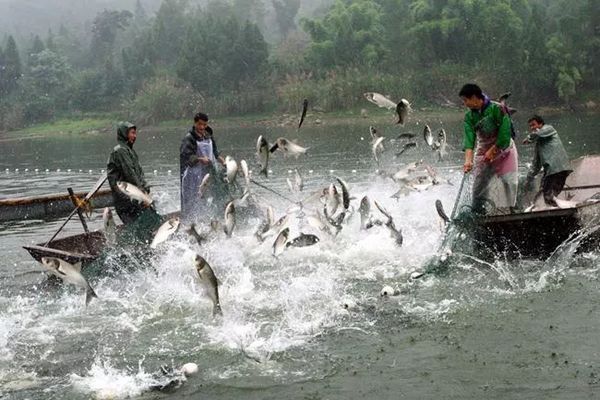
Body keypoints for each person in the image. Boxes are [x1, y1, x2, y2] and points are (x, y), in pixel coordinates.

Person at [459, 83, 519, 214]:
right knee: (479, 186)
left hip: (504, 150)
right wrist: (468, 161)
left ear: (474, 97)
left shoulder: (498, 109)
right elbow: (469, 140)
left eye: (465, 100)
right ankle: (479, 212)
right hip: (483, 152)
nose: (465, 104)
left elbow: (505, 134)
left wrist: (493, 150)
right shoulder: (469, 117)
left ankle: (512, 210)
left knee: (510, 182)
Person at [107, 122, 161, 241]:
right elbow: (130, 174)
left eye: (135, 133)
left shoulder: (129, 151)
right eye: (132, 133)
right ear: (124, 134)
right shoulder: (120, 151)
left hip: (136, 198)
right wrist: (143, 197)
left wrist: (146, 191)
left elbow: (140, 175)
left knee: (148, 227)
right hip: (126, 201)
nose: (134, 136)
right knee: (137, 233)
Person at [179, 112, 226, 220]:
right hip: (193, 176)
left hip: (208, 173)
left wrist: (223, 162)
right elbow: (187, 157)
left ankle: (209, 218)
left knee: (208, 196)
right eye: (199, 124)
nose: (202, 127)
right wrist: (200, 159)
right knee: (193, 198)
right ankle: (192, 220)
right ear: (195, 123)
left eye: (204, 125)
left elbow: (215, 152)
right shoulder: (189, 138)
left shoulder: (208, 135)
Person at [523, 115, 572, 206]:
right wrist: (529, 179)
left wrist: (529, 138)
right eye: (530, 126)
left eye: (534, 125)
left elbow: (539, 133)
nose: (532, 128)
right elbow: (536, 164)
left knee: (548, 196)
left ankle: (561, 209)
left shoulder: (549, 129)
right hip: (550, 172)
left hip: (558, 169)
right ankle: (556, 208)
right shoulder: (538, 145)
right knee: (543, 192)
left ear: (541, 124)